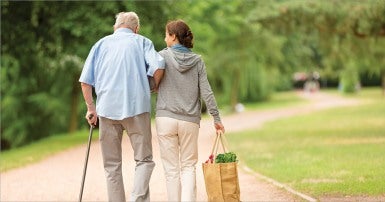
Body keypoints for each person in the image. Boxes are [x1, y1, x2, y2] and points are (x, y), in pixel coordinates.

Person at [79, 12, 164, 202]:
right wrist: (153, 85)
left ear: (115, 27)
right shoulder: (142, 41)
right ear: (136, 28)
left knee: (111, 165)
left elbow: (85, 82)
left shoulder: (100, 45)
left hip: (107, 109)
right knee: (144, 160)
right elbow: (159, 66)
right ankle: (137, 199)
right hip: (137, 108)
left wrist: (91, 108)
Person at [155, 20, 225, 201]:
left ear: (173, 37)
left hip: (165, 118)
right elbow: (206, 91)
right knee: (188, 167)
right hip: (189, 121)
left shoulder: (161, 56)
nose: (164, 38)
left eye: (166, 34)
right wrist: (216, 118)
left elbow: (151, 83)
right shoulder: (198, 61)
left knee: (171, 170)